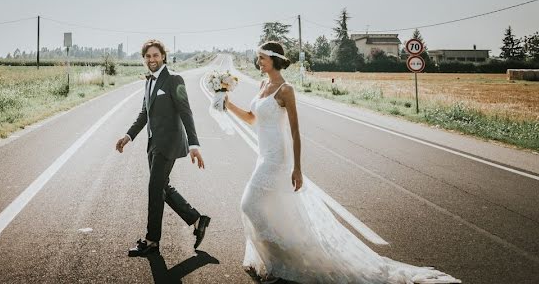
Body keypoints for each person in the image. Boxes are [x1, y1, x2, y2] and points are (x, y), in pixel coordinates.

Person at [224, 41, 460, 284]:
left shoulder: (286, 90)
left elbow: (295, 132)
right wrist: (227, 104)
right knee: (272, 209)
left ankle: (277, 262)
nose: (259, 62)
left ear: (274, 59)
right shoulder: (263, 85)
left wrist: (298, 168)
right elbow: (252, 119)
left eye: (262, 58)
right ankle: (278, 261)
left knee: (249, 204)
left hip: (277, 158)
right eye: (258, 58)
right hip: (263, 155)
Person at [115, 39, 211, 256]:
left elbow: (186, 112)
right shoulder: (148, 82)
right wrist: (128, 136)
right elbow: (144, 114)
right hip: (152, 144)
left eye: (155, 55)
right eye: (148, 56)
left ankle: (151, 241)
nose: (152, 59)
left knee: (154, 189)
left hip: (168, 144)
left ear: (163, 56)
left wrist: (194, 144)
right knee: (162, 188)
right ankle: (197, 220)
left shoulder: (174, 79)